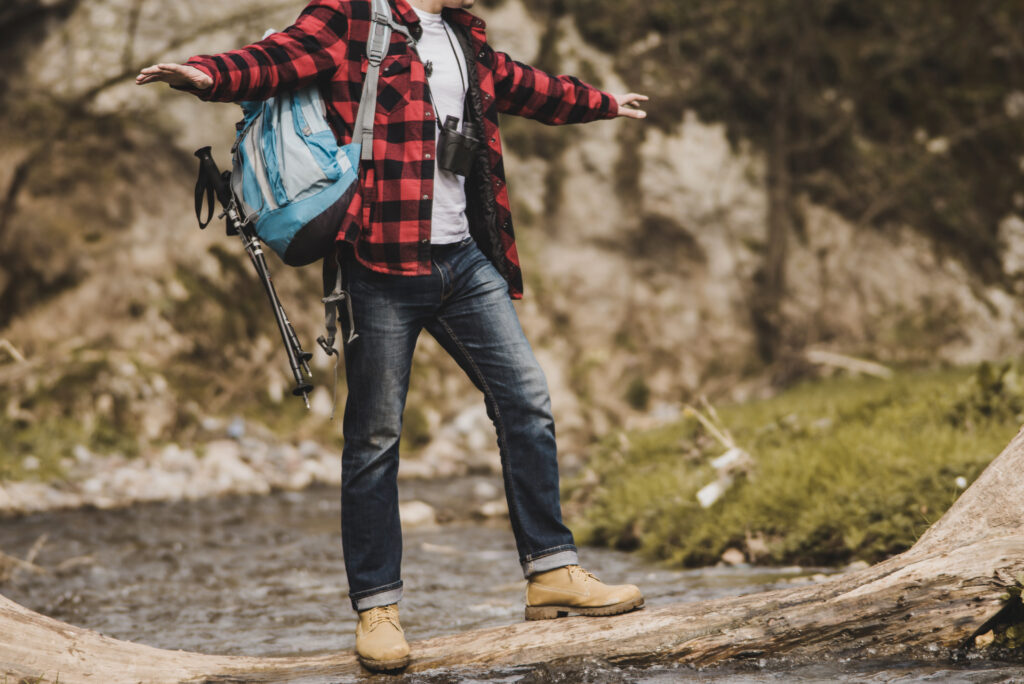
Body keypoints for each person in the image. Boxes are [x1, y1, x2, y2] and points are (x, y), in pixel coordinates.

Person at [137, 0, 649, 672]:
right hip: (379, 264)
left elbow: (522, 84)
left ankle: (552, 572)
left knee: (525, 402)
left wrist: (603, 102)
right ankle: (377, 609)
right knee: (375, 440)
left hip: (464, 259)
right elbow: (275, 59)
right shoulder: (351, 16)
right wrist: (204, 75)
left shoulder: (464, 35)